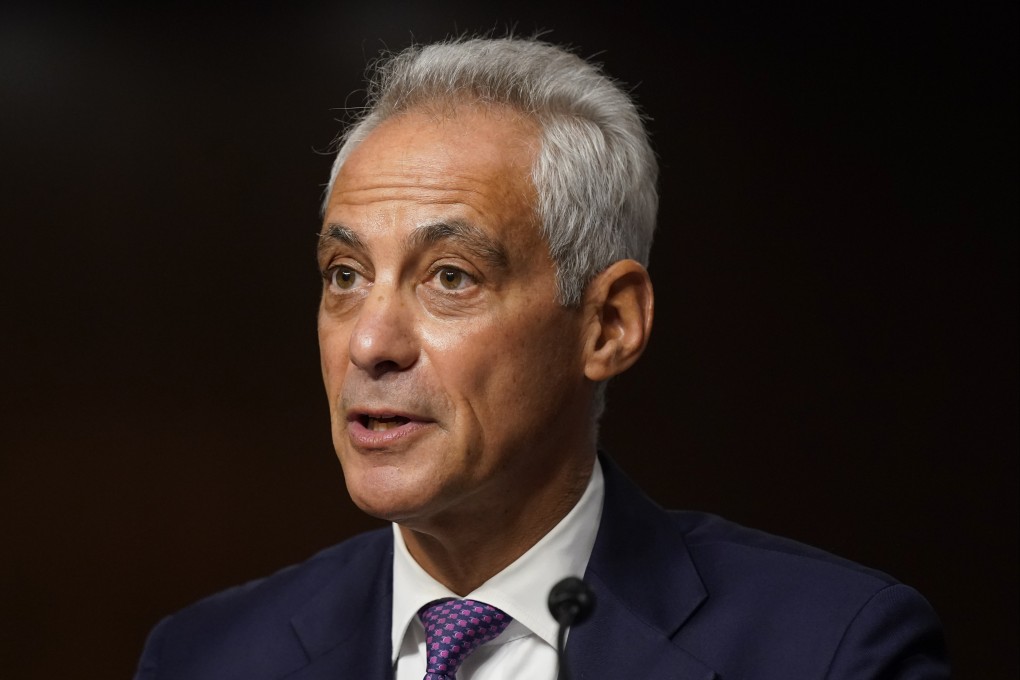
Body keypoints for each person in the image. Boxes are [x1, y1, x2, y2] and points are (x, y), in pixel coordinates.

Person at [133, 36, 950, 679]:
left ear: (607, 326)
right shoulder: (203, 657)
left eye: (449, 277)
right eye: (345, 276)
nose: (371, 343)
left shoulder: (833, 650)